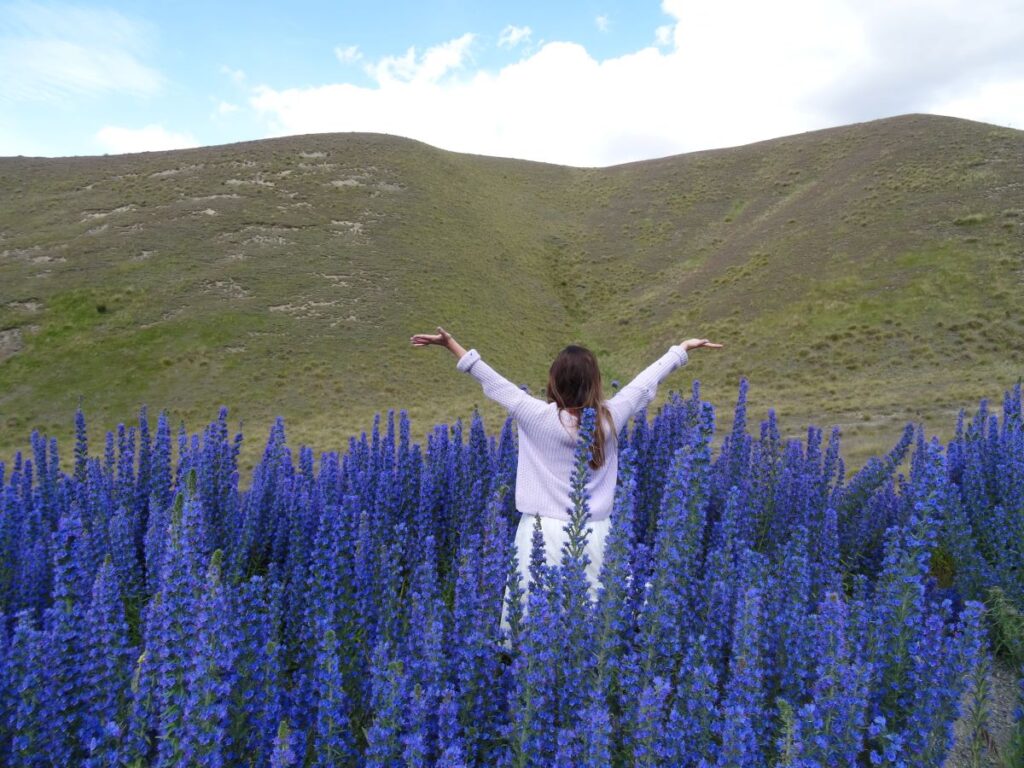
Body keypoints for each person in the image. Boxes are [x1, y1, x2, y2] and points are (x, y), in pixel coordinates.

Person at [410, 326, 722, 633]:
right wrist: (680, 350)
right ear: (596, 383)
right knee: (598, 627)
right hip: (596, 535)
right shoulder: (610, 418)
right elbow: (644, 384)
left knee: (535, 630)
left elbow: (492, 381)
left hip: (539, 536)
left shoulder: (536, 416)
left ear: (554, 381)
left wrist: (451, 345)